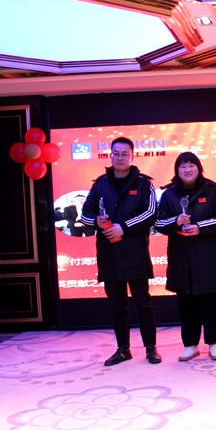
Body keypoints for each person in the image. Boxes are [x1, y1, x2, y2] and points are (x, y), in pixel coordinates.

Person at [81, 137, 161, 366]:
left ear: (132, 156)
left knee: (143, 303)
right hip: (109, 254)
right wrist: (96, 221)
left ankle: (151, 348)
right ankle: (123, 349)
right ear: (110, 156)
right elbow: (85, 215)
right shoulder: (100, 184)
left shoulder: (144, 184)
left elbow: (151, 214)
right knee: (117, 305)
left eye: (124, 154)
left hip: (135, 253)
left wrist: (123, 228)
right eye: (115, 153)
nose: (119, 157)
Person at [155, 152, 216, 361]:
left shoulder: (213, 189)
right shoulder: (169, 194)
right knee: (186, 302)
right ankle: (190, 345)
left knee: (209, 301)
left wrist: (200, 227)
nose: (187, 170)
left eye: (191, 165)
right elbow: (158, 222)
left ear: (199, 168)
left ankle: (214, 344)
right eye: (183, 166)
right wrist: (176, 221)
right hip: (181, 256)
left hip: (207, 256)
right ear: (177, 170)